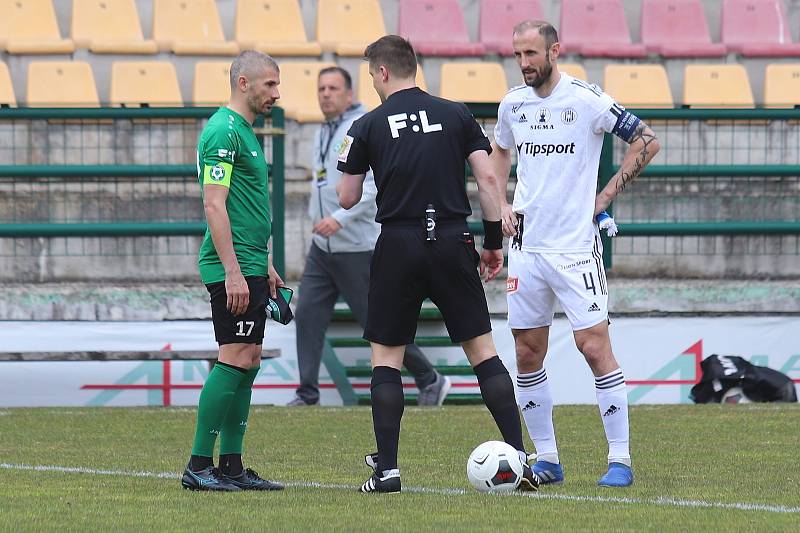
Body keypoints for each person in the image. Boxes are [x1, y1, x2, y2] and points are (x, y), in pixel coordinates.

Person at [337, 35, 539, 494]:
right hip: (452, 237)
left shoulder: (367, 124)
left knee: (386, 359)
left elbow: (346, 198)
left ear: (383, 72)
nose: (372, 81)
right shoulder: (456, 113)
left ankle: (387, 470)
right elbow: (487, 177)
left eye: (372, 74)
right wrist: (492, 243)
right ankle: (519, 458)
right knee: (482, 352)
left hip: (398, 241)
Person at [490, 20, 661, 488]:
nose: (524, 63)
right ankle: (547, 458)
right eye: (517, 54)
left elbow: (647, 140)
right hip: (526, 249)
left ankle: (620, 460)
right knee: (527, 351)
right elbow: (498, 152)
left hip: (575, 249)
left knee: (593, 346)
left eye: (531, 54)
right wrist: (502, 202)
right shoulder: (512, 105)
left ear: (554, 51)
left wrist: (604, 198)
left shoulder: (586, 99)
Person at [287, 66, 450, 408]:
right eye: (321, 88)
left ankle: (429, 378)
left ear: (349, 93)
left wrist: (340, 219)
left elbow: (373, 186)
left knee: (378, 322)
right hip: (323, 246)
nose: (325, 94)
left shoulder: (365, 124)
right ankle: (306, 393)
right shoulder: (322, 130)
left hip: (356, 245)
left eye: (333, 88)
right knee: (307, 315)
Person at [181, 50, 285, 492]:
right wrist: (234, 272)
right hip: (232, 267)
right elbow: (213, 203)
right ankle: (199, 464)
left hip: (249, 262)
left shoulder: (243, 130)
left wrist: (265, 264)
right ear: (243, 83)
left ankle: (232, 466)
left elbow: (245, 206)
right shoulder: (222, 131)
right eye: (269, 86)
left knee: (250, 357)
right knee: (234, 356)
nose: (276, 95)